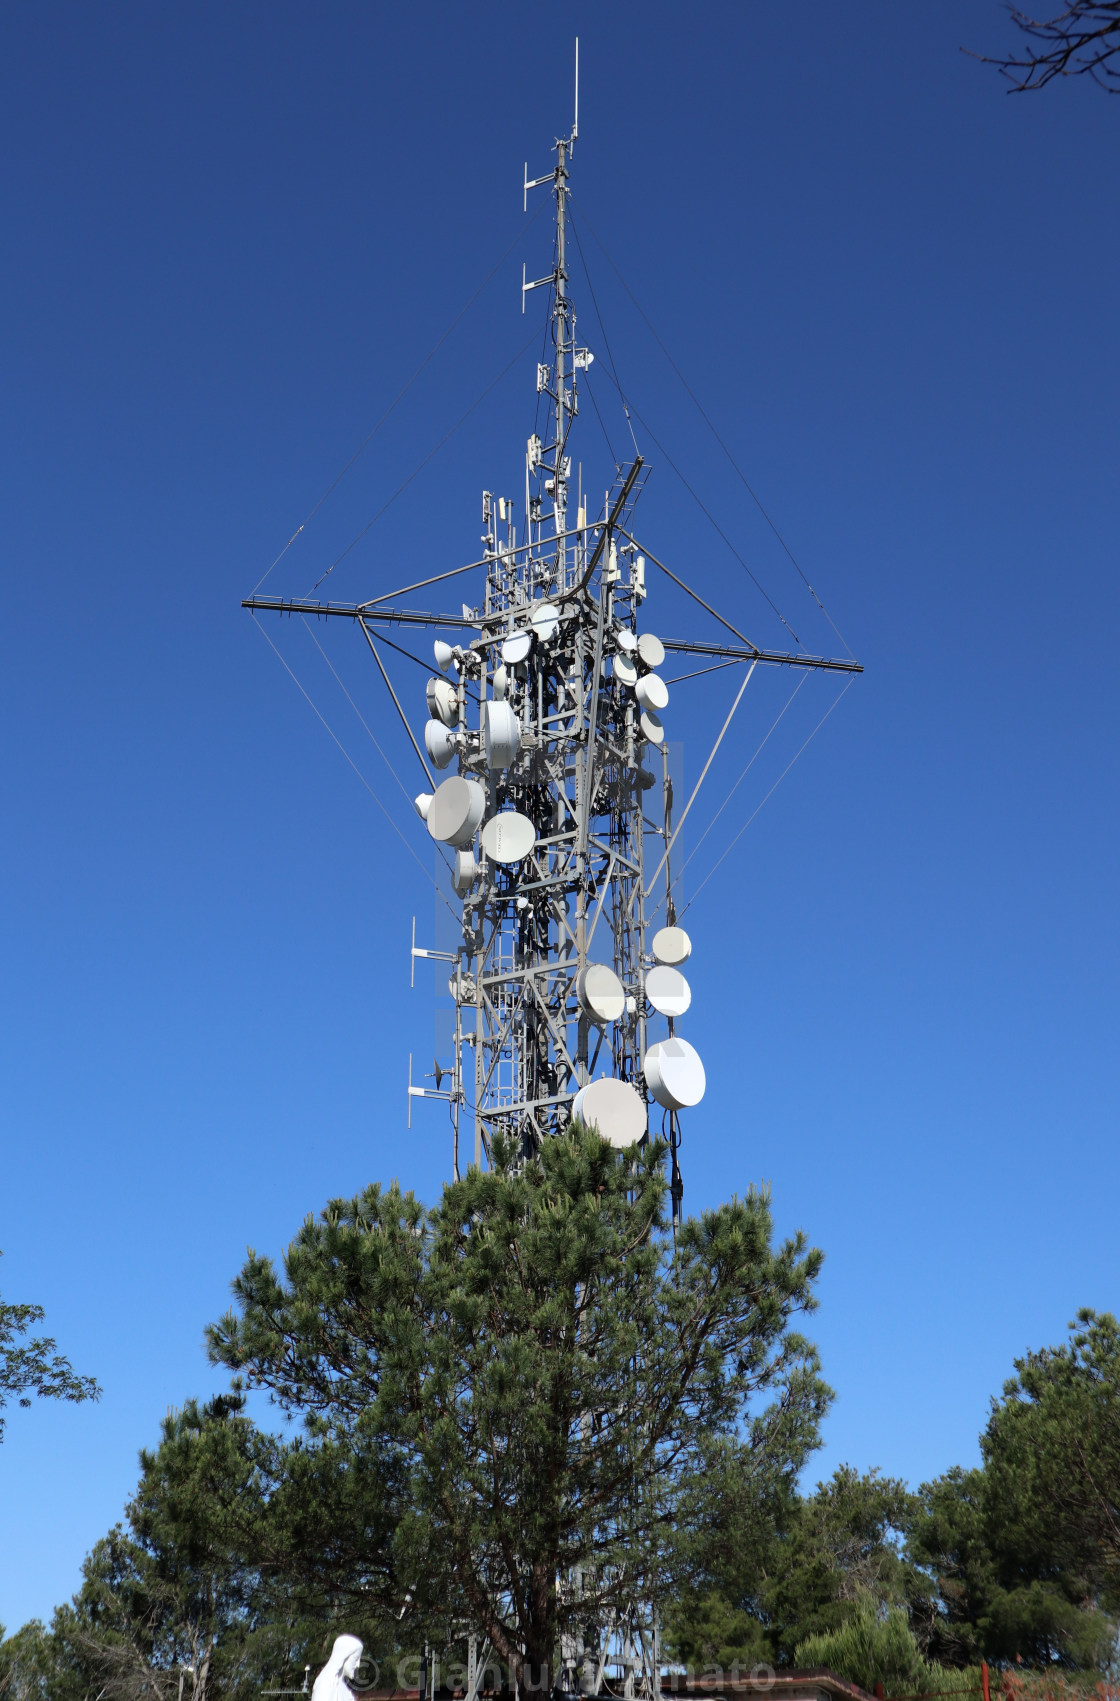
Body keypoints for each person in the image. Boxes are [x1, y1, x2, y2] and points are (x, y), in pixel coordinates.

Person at [311, 1635, 364, 1701]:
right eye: (356, 1659)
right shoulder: (325, 1682)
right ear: (344, 1656)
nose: (357, 1665)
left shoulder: (344, 1688)